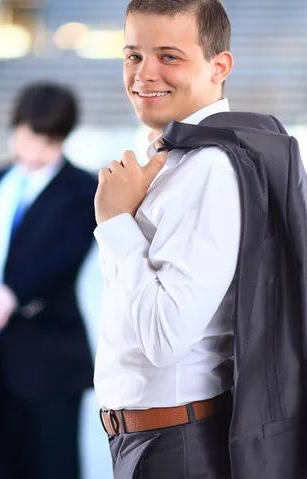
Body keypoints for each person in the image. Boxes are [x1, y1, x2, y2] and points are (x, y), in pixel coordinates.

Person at [93, 0, 240, 477]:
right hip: (152, 439)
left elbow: (165, 337)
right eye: (133, 55)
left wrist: (115, 221)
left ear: (219, 66)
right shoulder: (169, 155)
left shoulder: (210, 169)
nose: (143, 74)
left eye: (169, 56)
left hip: (176, 445)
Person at [0, 82, 97, 479]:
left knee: (51, 467)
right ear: (14, 128)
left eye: (47, 144)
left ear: (63, 139)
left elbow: (64, 259)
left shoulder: (83, 189)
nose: (34, 152)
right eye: (26, 138)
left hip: (50, 360)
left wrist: (13, 292)